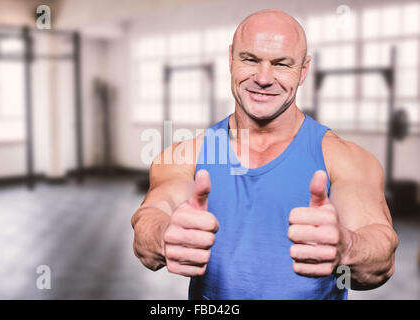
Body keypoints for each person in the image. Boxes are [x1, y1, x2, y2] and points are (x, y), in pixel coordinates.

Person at [131, 9, 398, 299]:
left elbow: (381, 253)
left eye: (281, 64)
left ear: (303, 70)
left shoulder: (343, 158)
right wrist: (162, 235)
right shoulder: (187, 154)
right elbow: (150, 216)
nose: (263, 78)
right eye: (250, 59)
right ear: (231, 59)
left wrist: (347, 247)